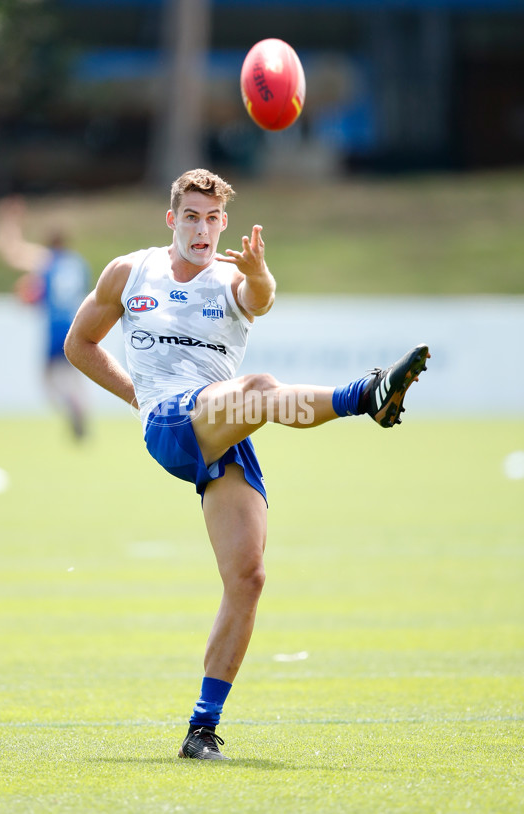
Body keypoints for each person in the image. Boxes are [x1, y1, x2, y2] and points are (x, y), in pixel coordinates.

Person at [64, 168, 430, 760]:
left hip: (220, 425)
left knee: (248, 577)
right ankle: (365, 396)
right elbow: (79, 344)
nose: (201, 229)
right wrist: (138, 396)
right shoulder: (130, 272)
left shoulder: (234, 277)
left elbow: (256, 299)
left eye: (212, 219)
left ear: (224, 224)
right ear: (171, 219)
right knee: (259, 385)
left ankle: (201, 730)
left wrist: (259, 275)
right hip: (173, 424)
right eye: (191, 216)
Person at [0, 198, 91, 439]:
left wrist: (10, 220)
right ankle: (81, 409)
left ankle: (70, 405)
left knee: (47, 378)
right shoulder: (79, 264)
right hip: (76, 325)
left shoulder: (46, 260)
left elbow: (10, 251)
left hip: (55, 326)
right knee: (73, 373)